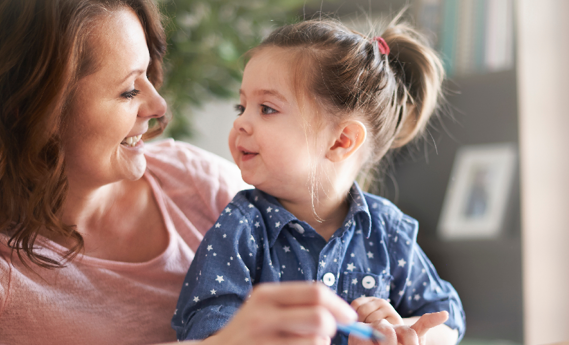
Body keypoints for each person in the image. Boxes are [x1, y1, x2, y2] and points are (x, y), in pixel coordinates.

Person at [0, 0, 397, 344]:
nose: (158, 106)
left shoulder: (196, 183)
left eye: (150, 76)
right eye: (129, 92)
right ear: (32, 109)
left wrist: (388, 325)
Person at [172, 16, 465, 345]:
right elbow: (203, 329)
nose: (241, 122)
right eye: (241, 106)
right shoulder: (241, 228)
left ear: (341, 141)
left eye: (266, 108)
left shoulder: (388, 231)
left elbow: (447, 318)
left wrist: (402, 333)